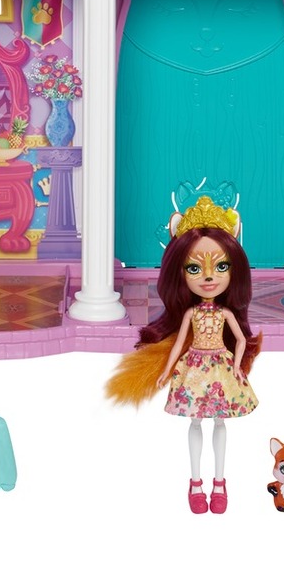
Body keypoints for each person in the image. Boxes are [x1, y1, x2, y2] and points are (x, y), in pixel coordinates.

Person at [105, 198, 259, 514]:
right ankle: (196, 482)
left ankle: (220, 481)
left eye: (222, 266)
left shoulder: (226, 313)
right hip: (195, 367)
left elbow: (242, 339)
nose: (208, 277)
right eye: (194, 268)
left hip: (220, 368)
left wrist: (237, 365)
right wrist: (166, 368)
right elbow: (177, 345)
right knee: (195, 422)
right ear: (180, 273)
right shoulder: (190, 313)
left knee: (220, 422)